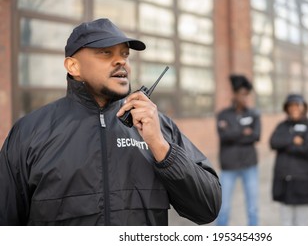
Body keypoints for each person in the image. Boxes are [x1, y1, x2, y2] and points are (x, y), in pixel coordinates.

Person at [0, 18, 221, 226]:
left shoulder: (158, 127)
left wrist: (162, 148)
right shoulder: (29, 132)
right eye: (105, 53)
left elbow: (208, 208)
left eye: (125, 54)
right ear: (73, 66)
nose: (121, 60)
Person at [215, 75, 261, 226]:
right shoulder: (223, 114)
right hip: (229, 166)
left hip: (250, 165)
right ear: (234, 94)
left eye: (247, 94)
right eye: (242, 94)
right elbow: (224, 136)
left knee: (253, 207)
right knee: (223, 207)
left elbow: (255, 136)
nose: (245, 97)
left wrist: (233, 131)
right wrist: (243, 132)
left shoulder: (254, 114)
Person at [270, 94, 308, 226]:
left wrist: (285, 146)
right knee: (286, 222)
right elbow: (273, 143)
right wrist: (292, 140)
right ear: (287, 108)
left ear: (303, 107)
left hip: (302, 181)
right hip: (284, 181)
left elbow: (307, 149)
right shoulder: (282, 126)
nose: (294, 108)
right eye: (291, 106)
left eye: (297, 105)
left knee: (301, 222)